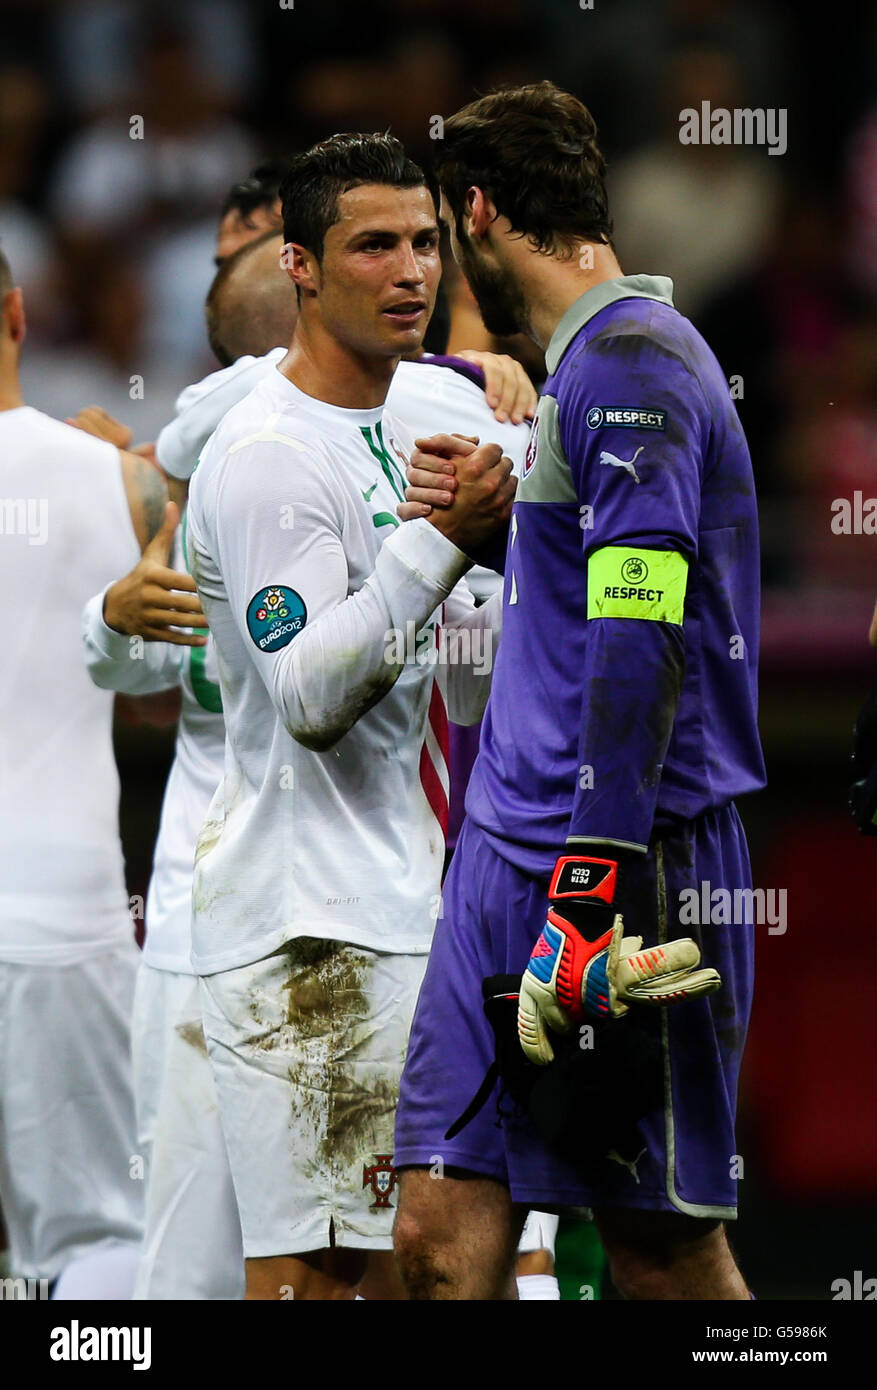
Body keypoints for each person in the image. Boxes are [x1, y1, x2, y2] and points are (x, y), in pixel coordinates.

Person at [392, 80, 767, 1301]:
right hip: (505, 851)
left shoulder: (635, 368)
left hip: (623, 865)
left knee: (661, 1259)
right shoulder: (596, 366)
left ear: (481, 211)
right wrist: (512, 534)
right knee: (438, 1243)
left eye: (445, 236)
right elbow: (597, 587)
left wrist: (592, 882)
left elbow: (640, 635)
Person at [184, 132, 514, 1301]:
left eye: (425, 242)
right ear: (303, 269)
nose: (409, 269)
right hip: (306, 932)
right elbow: (314, 695)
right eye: (372, 244)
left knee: (409, 1262)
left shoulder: (417, 399)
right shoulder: (269, 456)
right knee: (317, 1276)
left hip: (397, 899)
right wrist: (442, 543)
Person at [0, 246, 176, 1299]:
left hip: (59, 907)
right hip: (59, 904)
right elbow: (166, 691)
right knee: (93, 1241)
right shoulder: (119, 476)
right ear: (18, 312)